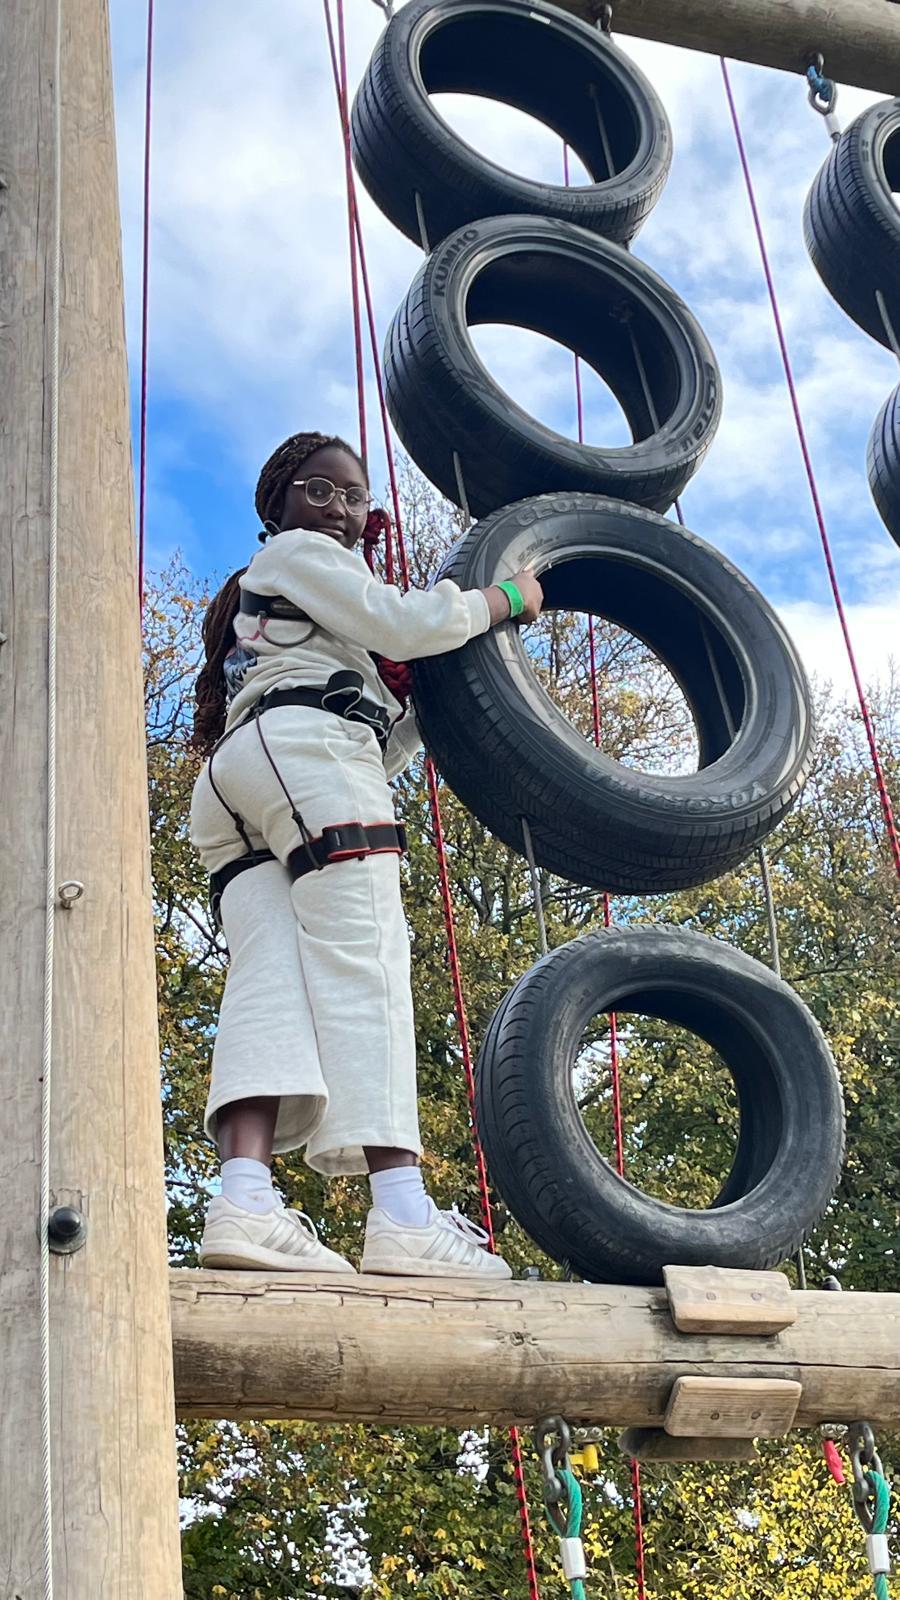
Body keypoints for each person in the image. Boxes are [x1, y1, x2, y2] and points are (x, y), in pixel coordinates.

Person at [189, 430, 543, 1278]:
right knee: (367, 954)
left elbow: (372, 747)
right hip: (301, 753)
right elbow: (402, 622)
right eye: (319, 489)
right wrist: (504, 598)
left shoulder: (300, 621)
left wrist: (416, 711)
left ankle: (244, 1199)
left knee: (270, 978)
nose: (340, 508)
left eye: (353, 496)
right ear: (278, 503)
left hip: (250, 778)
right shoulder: (298, 553)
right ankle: (402, 1213)